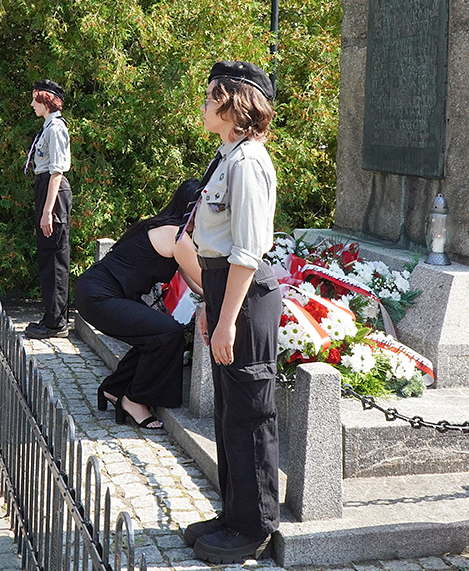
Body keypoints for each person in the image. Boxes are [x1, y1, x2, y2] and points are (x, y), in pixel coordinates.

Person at [181, 61, 280, 565]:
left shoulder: (248, 163)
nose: (203, 104)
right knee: (227, 413)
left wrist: (226, 321)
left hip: (246, 296)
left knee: (249, 412)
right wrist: (209, 306)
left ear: (234, 104)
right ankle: (233, 513)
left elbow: (246, 252)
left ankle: (254, 526)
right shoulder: (227, 158)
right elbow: (212, 247)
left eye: (210, 96)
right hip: (224, 291)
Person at [75, 180, 204, 430]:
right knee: (168, 332)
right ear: (193, 209)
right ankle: (134, 400)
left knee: (155, 335)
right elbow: (205, 280)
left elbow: (196, 282)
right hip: (101, 296)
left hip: (96, 291)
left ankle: (114, 389)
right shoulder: (176, 235)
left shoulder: (167, 228)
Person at [23, 79, 72, 340]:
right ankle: (51, 315)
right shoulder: (48, 127)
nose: (32, 104)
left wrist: (47, 211)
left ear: (46, 100)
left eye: (35, 99)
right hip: (45, 189)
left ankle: (56, 323)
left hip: (53, 193)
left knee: (54, 258)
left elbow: (57, 172)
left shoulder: (56, 129)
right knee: (47, 257)